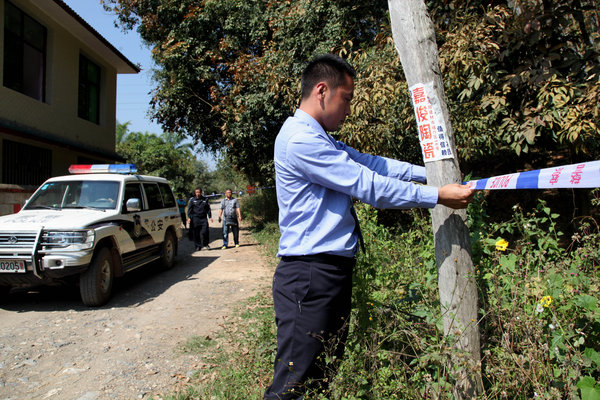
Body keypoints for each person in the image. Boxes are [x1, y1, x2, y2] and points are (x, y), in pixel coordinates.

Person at [264, 54, 475, 399]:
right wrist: (438, 194)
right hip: (309, 276)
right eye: (345, 99)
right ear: (322, 91)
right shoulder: (302, 141)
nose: (348, 109)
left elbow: (371, 164)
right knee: (294, 385)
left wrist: (436, 174)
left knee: (320, 376)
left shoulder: (320, 138)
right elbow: (370, 186)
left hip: (325, 273)